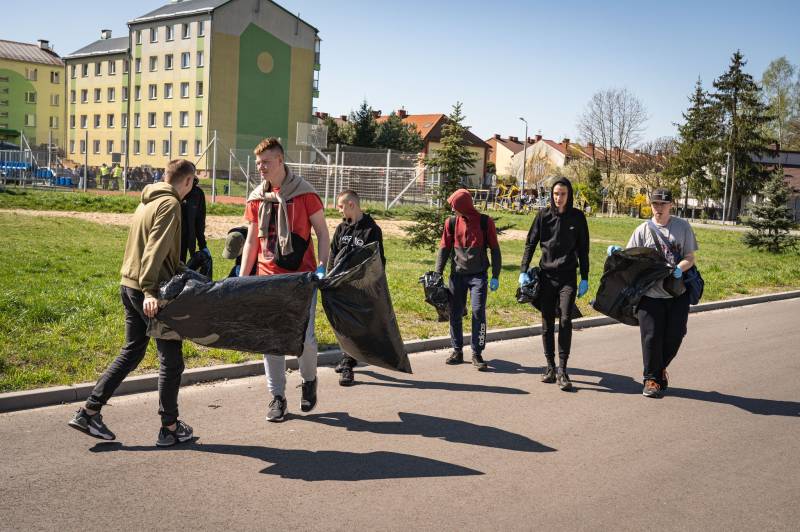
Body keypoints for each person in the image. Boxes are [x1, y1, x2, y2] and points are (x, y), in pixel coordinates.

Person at [68, 159, 197, 446]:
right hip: (148, 290)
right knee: (171, 360)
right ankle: (170, 428)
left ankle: (88, 412)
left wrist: (184, 271)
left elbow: (150, 249)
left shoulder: (147, 201)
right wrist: (151, 292)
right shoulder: (170, 204)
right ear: (187, 181)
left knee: (133, 351)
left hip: (128, 284)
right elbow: (154, 248)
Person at [240, 138, 330, 422]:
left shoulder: (305, 193)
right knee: (271, 341)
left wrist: (322, 268)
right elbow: (251, 240)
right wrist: (242, 278)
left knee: (306, 340)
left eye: (266, 162)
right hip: (266, 279)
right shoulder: (257, 197)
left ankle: (309, 380)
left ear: (280, 161)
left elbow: (323, 233)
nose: (261, 167)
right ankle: (277, 397)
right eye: (258, 163)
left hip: (301, 279)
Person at [608, 188, 697, 398]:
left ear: (671, 205)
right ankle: (651, 379)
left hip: (677, 292)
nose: (659, 208)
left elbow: (690, 257)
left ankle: (659, 369)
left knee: (676, 335)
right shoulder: (642, 230)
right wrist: (616, 253)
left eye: (663, 204)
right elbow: (630, 257)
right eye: (655, 204)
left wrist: (679, 269)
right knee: (651, 337)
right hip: (649, 294)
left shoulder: (682, 227)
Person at [519, 177, 590, 391]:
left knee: (566, 319)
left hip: (568, 277)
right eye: (556, 194)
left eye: (563, 194)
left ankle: (563, 370)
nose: (559, 198)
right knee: (547, 322)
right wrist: (523, 271)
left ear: (570, 195)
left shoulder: (578, 217)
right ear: (551, 194)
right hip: (546, 277)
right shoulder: (543, 216)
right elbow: (530, 243)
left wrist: (585, 277)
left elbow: (584, 249)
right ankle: (550, 367)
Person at [435, 188, 502, 371]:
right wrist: (438, 273)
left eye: (455, 206)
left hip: (478, 276)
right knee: (455, 313)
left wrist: (495, 275)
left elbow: (495, 249)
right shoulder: (451, 222)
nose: (452, 209)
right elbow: (444, 248)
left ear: (464, 206)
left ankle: (477, 353)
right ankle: (457, 350)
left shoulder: (485, 222)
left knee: (478, 311)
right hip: (457, 275)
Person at [327, 189, 386, 386]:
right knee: (343, 324)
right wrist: (329, 278)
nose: (339, 210)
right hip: (340, 285)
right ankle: (348, 357)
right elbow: (333, 254)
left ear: (351, 205)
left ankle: (348, 365)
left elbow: (378, 260)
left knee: (354, 325)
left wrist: (371, 285)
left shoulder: (371, 230)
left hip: (360, 287)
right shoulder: (341, 229)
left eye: (341, 206)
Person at [180, 177, 209, 274]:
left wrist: (202, 245)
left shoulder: (197, 193)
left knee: (184, 271)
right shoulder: (172, 190)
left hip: (189, 239)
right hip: (173, 241)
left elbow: (200, 221)